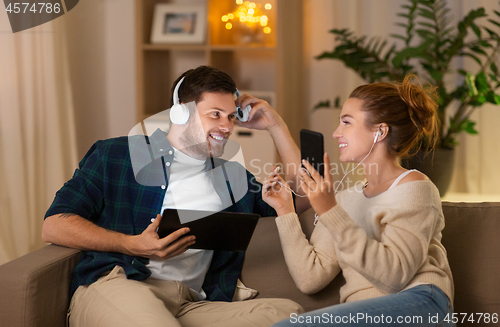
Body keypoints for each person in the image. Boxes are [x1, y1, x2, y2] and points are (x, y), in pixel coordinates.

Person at [42, 66, 306, 327]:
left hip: (188, 302)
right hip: (120, 284)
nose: (226, 127)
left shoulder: (231, 177)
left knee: (290, 315)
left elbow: (301, 199)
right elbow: (54, 225)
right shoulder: (117, 154)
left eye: (231, 117)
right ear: (181, 113)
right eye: (215, 114)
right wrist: (132, 244)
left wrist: (276, 126)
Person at [262, 74, 455, 326]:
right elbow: (311, 278)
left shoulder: (414, 187)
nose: (336, 132)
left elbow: (394, 276)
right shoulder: (343, 198)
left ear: (380, 131)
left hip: (420, 304)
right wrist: (285, 209)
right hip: (364, 314)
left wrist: (329, 210)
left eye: (346, 122)